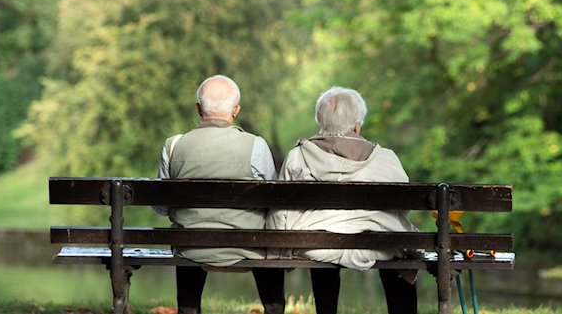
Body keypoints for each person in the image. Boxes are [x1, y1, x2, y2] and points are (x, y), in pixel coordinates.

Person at [267, 87, 419, 314]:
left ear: (321, 123)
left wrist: (277, 246)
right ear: (357, 126)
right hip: (376, 245)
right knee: (396, 246)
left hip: (315, 244)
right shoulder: (385, 158)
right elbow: (402, 208)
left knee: (321, 237)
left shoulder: (298, 155)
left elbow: (282, 209)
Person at [154, 74, 285, 314]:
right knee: (268, 235)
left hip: (190, 248)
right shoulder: (256, 145)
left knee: (189, 236)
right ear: (235, 110)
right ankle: (274, 308)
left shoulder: (173, 146)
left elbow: (162, 207)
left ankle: (188, 309)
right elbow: (273, 202)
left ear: (198, 109)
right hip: (249, 246)